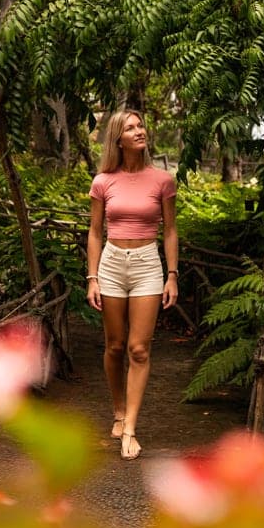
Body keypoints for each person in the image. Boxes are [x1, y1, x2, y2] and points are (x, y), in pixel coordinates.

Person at [86, 109, 179, 460]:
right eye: (130, 127)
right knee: (114, 346)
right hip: (111, 264)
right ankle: (118, 409)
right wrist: (92, 277)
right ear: (118, 139)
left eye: (140, 125)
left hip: (147, 266)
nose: (139, 131)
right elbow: (95, 233)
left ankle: (130, 429)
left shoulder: (163, 181)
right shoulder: (103, 181)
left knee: (139, 350)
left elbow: (170, 230)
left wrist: (172, 274)